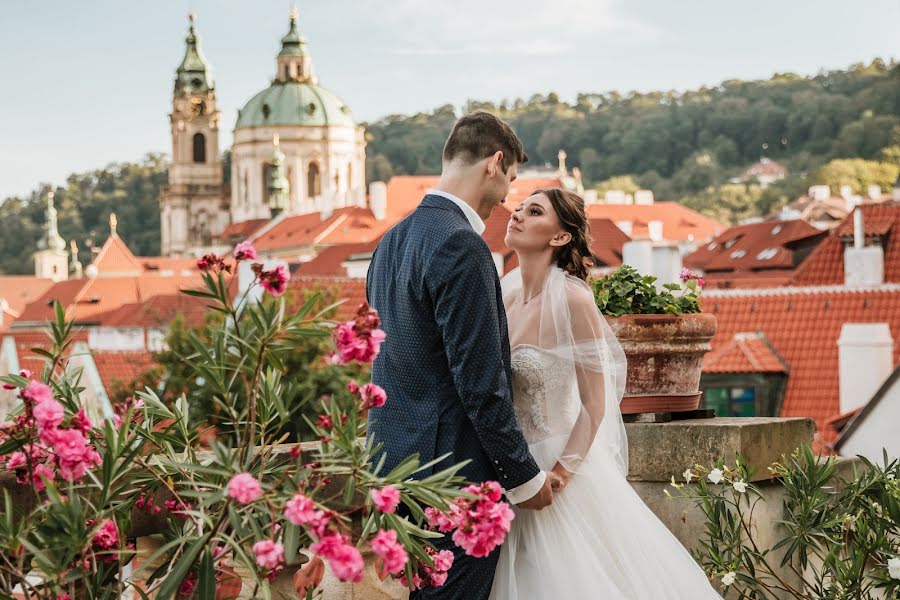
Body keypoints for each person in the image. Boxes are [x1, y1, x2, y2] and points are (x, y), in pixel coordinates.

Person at [489, 187, 722, 599]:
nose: (518, 215)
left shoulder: (573, 299)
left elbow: (596, 403)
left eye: (535, 211)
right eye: (520, 208)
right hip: (513, 466)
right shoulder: (504, 297)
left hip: (560, 468)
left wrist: (561, 474)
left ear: (560, 237)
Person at [366, 112, 558, 599]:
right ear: (495, 163)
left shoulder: (390, 241)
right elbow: (480, 384)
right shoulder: (462, 245)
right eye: (510, 180)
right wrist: (523, 478)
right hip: (451, 480)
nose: (506, 199)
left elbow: (391, 359)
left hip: (395, 468)